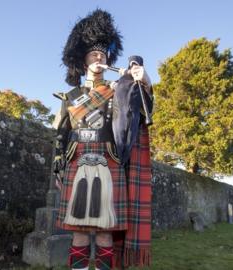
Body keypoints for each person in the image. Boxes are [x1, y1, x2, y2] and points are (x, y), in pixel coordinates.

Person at [53, 9, 154, 270]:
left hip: (109, 159)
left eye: (103, 53)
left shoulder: (118, 89)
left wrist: (145, 82)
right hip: (76, 159)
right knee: (79, 232)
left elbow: (140, 111)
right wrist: (57, 166)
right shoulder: (71, 95)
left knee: (106, 231)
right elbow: (60, 133)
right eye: (93, 53)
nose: (99, 56)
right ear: (82, 59)